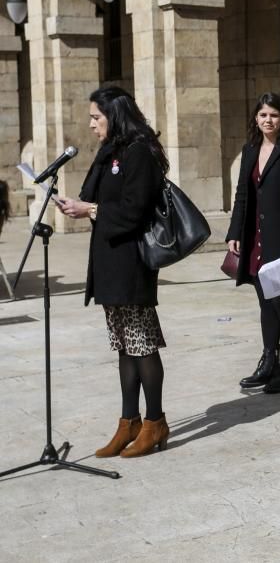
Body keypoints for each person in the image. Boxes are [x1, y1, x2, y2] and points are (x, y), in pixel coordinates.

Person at [56, 86, 171, 458]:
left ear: (115, 115)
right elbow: (94, 194)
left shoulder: (141, 153)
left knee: (142, 343)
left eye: (96, 117)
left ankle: (155, 423)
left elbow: (134, 210)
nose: (91, 125)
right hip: (108, 260)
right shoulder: (114, 150)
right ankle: (129, 422)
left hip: (132, 263)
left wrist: (88, 210)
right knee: (123, 345)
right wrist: (80, 204)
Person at [226, 92, 280, 394]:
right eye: (263, 115)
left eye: (274, 115)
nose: (268, 120)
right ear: (256, 118)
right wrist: (234, 232)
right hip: (255, 237)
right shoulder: (250, 148)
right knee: (264, 300)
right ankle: (268, 361)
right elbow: (242, 194)